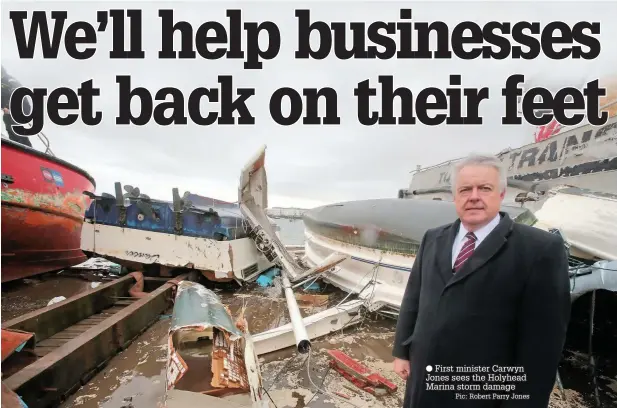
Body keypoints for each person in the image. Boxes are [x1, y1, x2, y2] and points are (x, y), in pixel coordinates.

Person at [392, 153, 571, 407]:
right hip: (424, 380)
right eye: (465, 189)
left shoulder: (539, 249)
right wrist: (401, 351)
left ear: (501, 194)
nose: (474, 196)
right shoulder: (433, 238)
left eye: (484, 188)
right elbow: (413, 298)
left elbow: (543, 345)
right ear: (455, 196)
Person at [2, 65, 33, 147]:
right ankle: (16, 145)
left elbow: (16, 93)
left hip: (20, 107)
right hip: (10, 108)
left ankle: (25, 148)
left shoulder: (9, 80)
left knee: (12, 123)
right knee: (7, 120)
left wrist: (10, 108)